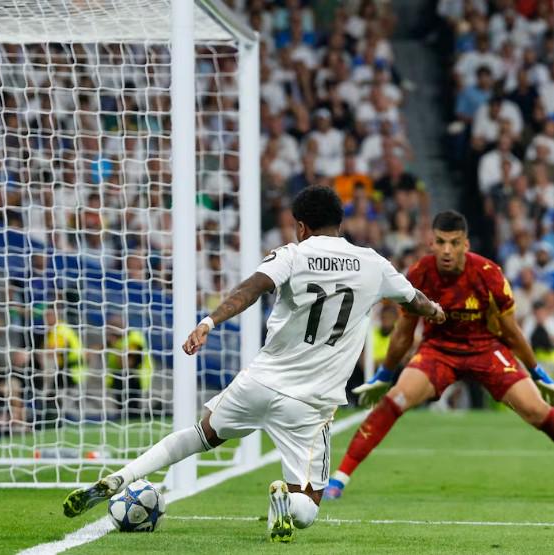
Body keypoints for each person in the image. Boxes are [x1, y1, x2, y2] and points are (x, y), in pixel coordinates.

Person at [62, 186, 445, 543]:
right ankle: (284, 500)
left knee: (200, 434)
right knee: (308, 509)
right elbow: (414, 300)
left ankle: (123, 475)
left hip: (260, 382)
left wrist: (208, 322)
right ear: (340, 222)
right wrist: (435, 311)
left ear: (301, 226)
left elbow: (251, 288)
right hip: (309, 405)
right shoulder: (373, 263)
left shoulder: (293, 254)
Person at [324, 211, 554, 500]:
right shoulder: (420, 274)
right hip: (438, 351)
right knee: (395, 399)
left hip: (486, 349)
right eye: (441, 242)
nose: (447, 250)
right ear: (431, 243)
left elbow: (512, 332)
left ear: (465, 244)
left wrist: (538, 373)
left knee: (536, 411)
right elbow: (403, 332)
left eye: (454, 243)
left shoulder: (489, 274)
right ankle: (338, 480)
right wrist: (384, 376)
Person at [105, 314, 154, 419]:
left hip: (135, 379)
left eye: (112, 326)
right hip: (119, 380)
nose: (108, 331)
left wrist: (114, 346)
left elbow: (127, 364)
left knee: (132, 414)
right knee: (123, 413)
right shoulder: (117, 341)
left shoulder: (134, 339)